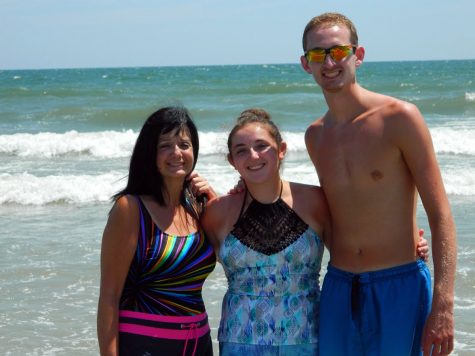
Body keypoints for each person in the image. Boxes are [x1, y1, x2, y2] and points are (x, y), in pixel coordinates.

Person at [200, 108, 429, 356]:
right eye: (241, 150)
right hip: (239, 342)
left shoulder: (315, 200)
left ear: (282, 149)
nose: (253, 156)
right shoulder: (217, 213)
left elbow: (355, 250)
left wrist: (405, 245)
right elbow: (186, 267)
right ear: (232, 161)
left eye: (261, 146)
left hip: (308, 339)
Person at [300, 13, 457, 356]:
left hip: (399, 284)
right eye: (317, 54)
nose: (328, 62)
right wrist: (243, 189)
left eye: (338, 51)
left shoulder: (399, 118)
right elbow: (334, 210)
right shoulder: (315, 136)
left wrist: (443, 305)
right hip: (339, 287)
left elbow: (440, 214)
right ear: (305, 64)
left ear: (358, 55)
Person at [97, 107, 217, 356]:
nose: (176, 153)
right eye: (165, 145)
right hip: (145, 345)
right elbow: (109, 296)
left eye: (184, 144)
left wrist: (216, 201)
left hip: (198, 346)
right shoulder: (130, 208)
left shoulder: (198, 205)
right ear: (149, 153)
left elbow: (234, 254)